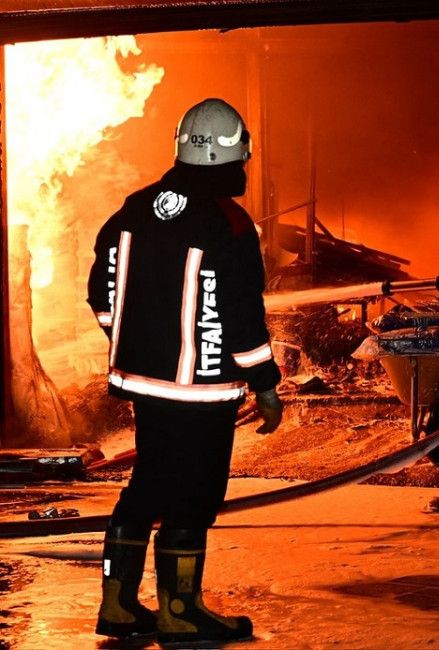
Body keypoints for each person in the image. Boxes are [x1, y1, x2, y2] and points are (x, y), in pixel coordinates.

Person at [87, 98, 283, 644]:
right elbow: (242, 316)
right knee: (194, 494)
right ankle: (180, 611)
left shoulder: (134, 209)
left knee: (148, 483)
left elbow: (102, 291)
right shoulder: (229, 223)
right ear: (231, 156)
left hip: (143, 383)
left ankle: (118, 605)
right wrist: (265, 384)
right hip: (201, 391)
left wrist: (130, 340)